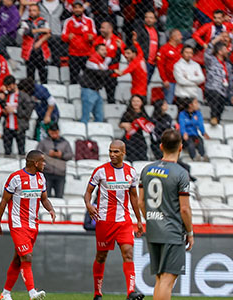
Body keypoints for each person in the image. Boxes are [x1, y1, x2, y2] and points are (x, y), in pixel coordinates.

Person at [83, 140, 145, 300]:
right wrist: (89, 205)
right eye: (110, 151)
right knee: (101, 256)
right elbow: (88, 192)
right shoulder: (100, 171)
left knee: (128, 254)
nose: (112, 154)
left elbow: (133, 197)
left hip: (123, 221)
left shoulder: (131, 172)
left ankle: (131, 292)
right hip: (104, 221)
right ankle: (97, 293)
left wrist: (138, 220)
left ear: (123, 153)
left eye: (116, 152)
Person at [138, 129, 194, 300]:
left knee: (160, 278)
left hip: (153, 229)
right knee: (168, 280)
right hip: (172, 231)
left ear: (161, 146)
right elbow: (184, 209)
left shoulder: (146, 169)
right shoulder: (181, 173)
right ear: (181, 147)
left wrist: (153, 219)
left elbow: (141, 202)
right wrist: (190, 232)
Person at [0, 150, 56, 300]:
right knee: (27, 257)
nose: (45, 164)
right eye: (43, 161)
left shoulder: (41, 178)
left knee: (18, 259)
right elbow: (4, 201)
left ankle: (5, 293)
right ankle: (32, 292)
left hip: (33, 225)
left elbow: (44, 198)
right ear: (36, 163)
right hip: (17, 224)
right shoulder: (15, 178)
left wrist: (51, 209)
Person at [61, 0, 96, 84]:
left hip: (87, 54)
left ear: (83, 8)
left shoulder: (89, 21)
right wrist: (68, 37)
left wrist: (91, 37)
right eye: (75, 7)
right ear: (72, 9)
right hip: (73, 54)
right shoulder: (68, 21)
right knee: (73, 79)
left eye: (79, 7)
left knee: (89, 79)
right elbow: (63, 36)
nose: (77, 9)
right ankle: (74, 95)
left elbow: (94, 34)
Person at [36, 123, 73, 198]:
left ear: (58, 131)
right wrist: (48, 153)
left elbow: (70, 155)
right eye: (52, 133)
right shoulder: (43, 142)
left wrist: (61, 155)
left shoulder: (65, 142)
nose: (54, 135)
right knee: (45, 197)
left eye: (56, 133)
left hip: (60, 173)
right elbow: (37, 154)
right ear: (49, 131)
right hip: (47, 172)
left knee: (59, 197)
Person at [0, 75, 34, 156]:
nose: (8, 89)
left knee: (21, 150)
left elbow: (28, 113)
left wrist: (14, 110)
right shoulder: (6, 96)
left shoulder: (24, 97)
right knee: (7, 151)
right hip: (7, 127)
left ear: (14, 84)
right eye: (6, 87)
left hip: (19, 127)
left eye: (9, 86)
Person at [80, 44, 113, 123]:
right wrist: (113, 71)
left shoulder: (101, 61)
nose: (105, 51)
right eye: (102, 50)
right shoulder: (92, 60)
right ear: (97, 51)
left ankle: (97, 132)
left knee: (99, 116)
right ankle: (83, 133)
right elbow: (100, 73)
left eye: (105, 50)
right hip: (89, 90)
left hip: (96, 91)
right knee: (86, 117)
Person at [204, 36, 233, 125]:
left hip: (223, 91)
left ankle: (217, 121)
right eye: (225, 49)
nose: (227, 51)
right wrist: (216, 40)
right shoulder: (211, 60)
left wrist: (232, 94)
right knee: (216, 96)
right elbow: (207, 51)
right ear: (219, 52)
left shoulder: (228, 65)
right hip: (212, 88)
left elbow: (231, 80)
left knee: (221, 104)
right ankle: (213, 117)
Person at [93, 22, 124, 104]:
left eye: (103, 28)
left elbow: (118, 57)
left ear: (110, 29)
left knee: (111, 96)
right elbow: (93, 54)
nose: (100, 30)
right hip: (99, 73)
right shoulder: (97, 40)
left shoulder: (118, 41)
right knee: (95, 95)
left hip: (111, 73)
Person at [21, 4, 51, 84]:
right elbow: (27, 32)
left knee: (44, 77)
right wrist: (41, 30)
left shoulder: (44, 21)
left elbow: (48, 33)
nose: (31, 12)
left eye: (34, 10)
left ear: (38, 12)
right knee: (30, 77)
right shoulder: (25, 22)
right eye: (30, 11)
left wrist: (40, 41)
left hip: (42, 52)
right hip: (29, 53)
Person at [120, 95, 152, 162]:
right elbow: (120, 124)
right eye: (133, 101)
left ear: (141, 103)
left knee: (142, 156)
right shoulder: (127, 113)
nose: (135, 103)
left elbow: (149, 125)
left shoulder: (144, 114)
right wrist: (124, 124)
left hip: (139, 138)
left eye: (138, 101)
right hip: (129, 138)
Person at [156, 30, 183, 104]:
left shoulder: (181, 48)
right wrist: (164, 79)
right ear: (173, 37)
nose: (182, 37)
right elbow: (160, 65)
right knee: (169, 101)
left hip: (181, 81)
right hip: (170, 81)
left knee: (182, 103)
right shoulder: (164, 49)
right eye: (179, 35)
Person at [134, 11, 160, 82]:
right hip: (145, 60)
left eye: (151, 18)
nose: (148, 19)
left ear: (155, 20)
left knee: (146, 83)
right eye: (146, 17)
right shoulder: (141, 30)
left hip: (153, 62)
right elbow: (136, 43)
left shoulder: (156, 31)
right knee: (142, 83)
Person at [0, 0, 21, 69]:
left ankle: (9, 60)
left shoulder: (14, 12)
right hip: (0, 34)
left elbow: (13, 27)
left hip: (10, 36)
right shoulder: (2, 9)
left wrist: (2, 33)